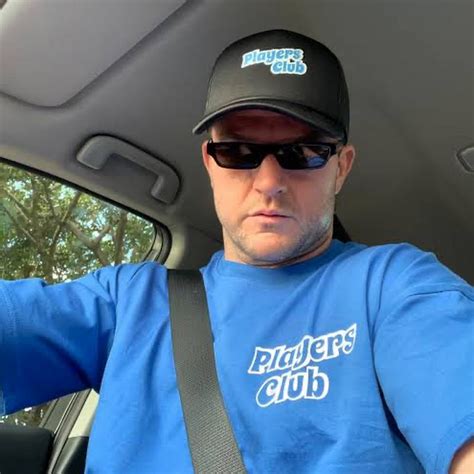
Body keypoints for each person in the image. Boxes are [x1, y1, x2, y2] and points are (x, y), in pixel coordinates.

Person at [0, 29, 473, 473]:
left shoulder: (394, 286)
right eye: (239, 152)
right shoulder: (127, 302)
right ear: (210, 162)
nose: (269, 182)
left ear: (341, 168)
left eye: (303, 153)